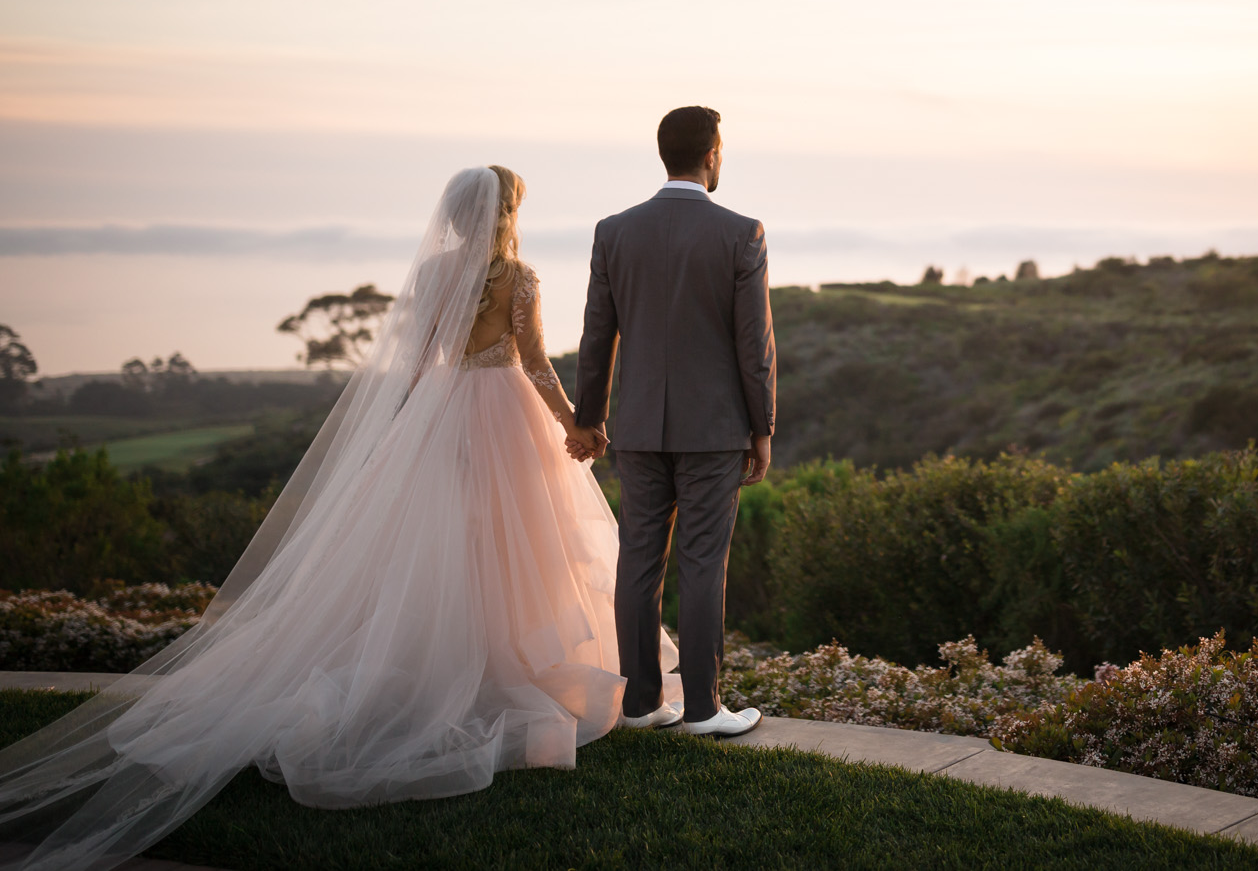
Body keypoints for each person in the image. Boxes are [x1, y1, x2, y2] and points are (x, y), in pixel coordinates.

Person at [0, 166, 679, 870]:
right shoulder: (520, 277)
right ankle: (503, 668)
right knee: (514, 547)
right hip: (506, 415)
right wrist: (576, 425)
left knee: (437, 547)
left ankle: (456, 663)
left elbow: (417, 366)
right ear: (507, 211)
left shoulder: (433, 274)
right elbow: (535, 364)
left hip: (442, 414)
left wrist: (420, 429)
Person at [575, 106, 773, 735]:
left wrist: (591, 417)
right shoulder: (742, 233)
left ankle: (638, 705)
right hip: (714, 429)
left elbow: (596, 336)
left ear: (664, 154)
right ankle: (704, 708)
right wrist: (762, 428)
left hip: (635, 428)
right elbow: (754, 345)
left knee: (637, 560)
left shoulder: (614, 231)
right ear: (713, 153)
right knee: (702, 563)